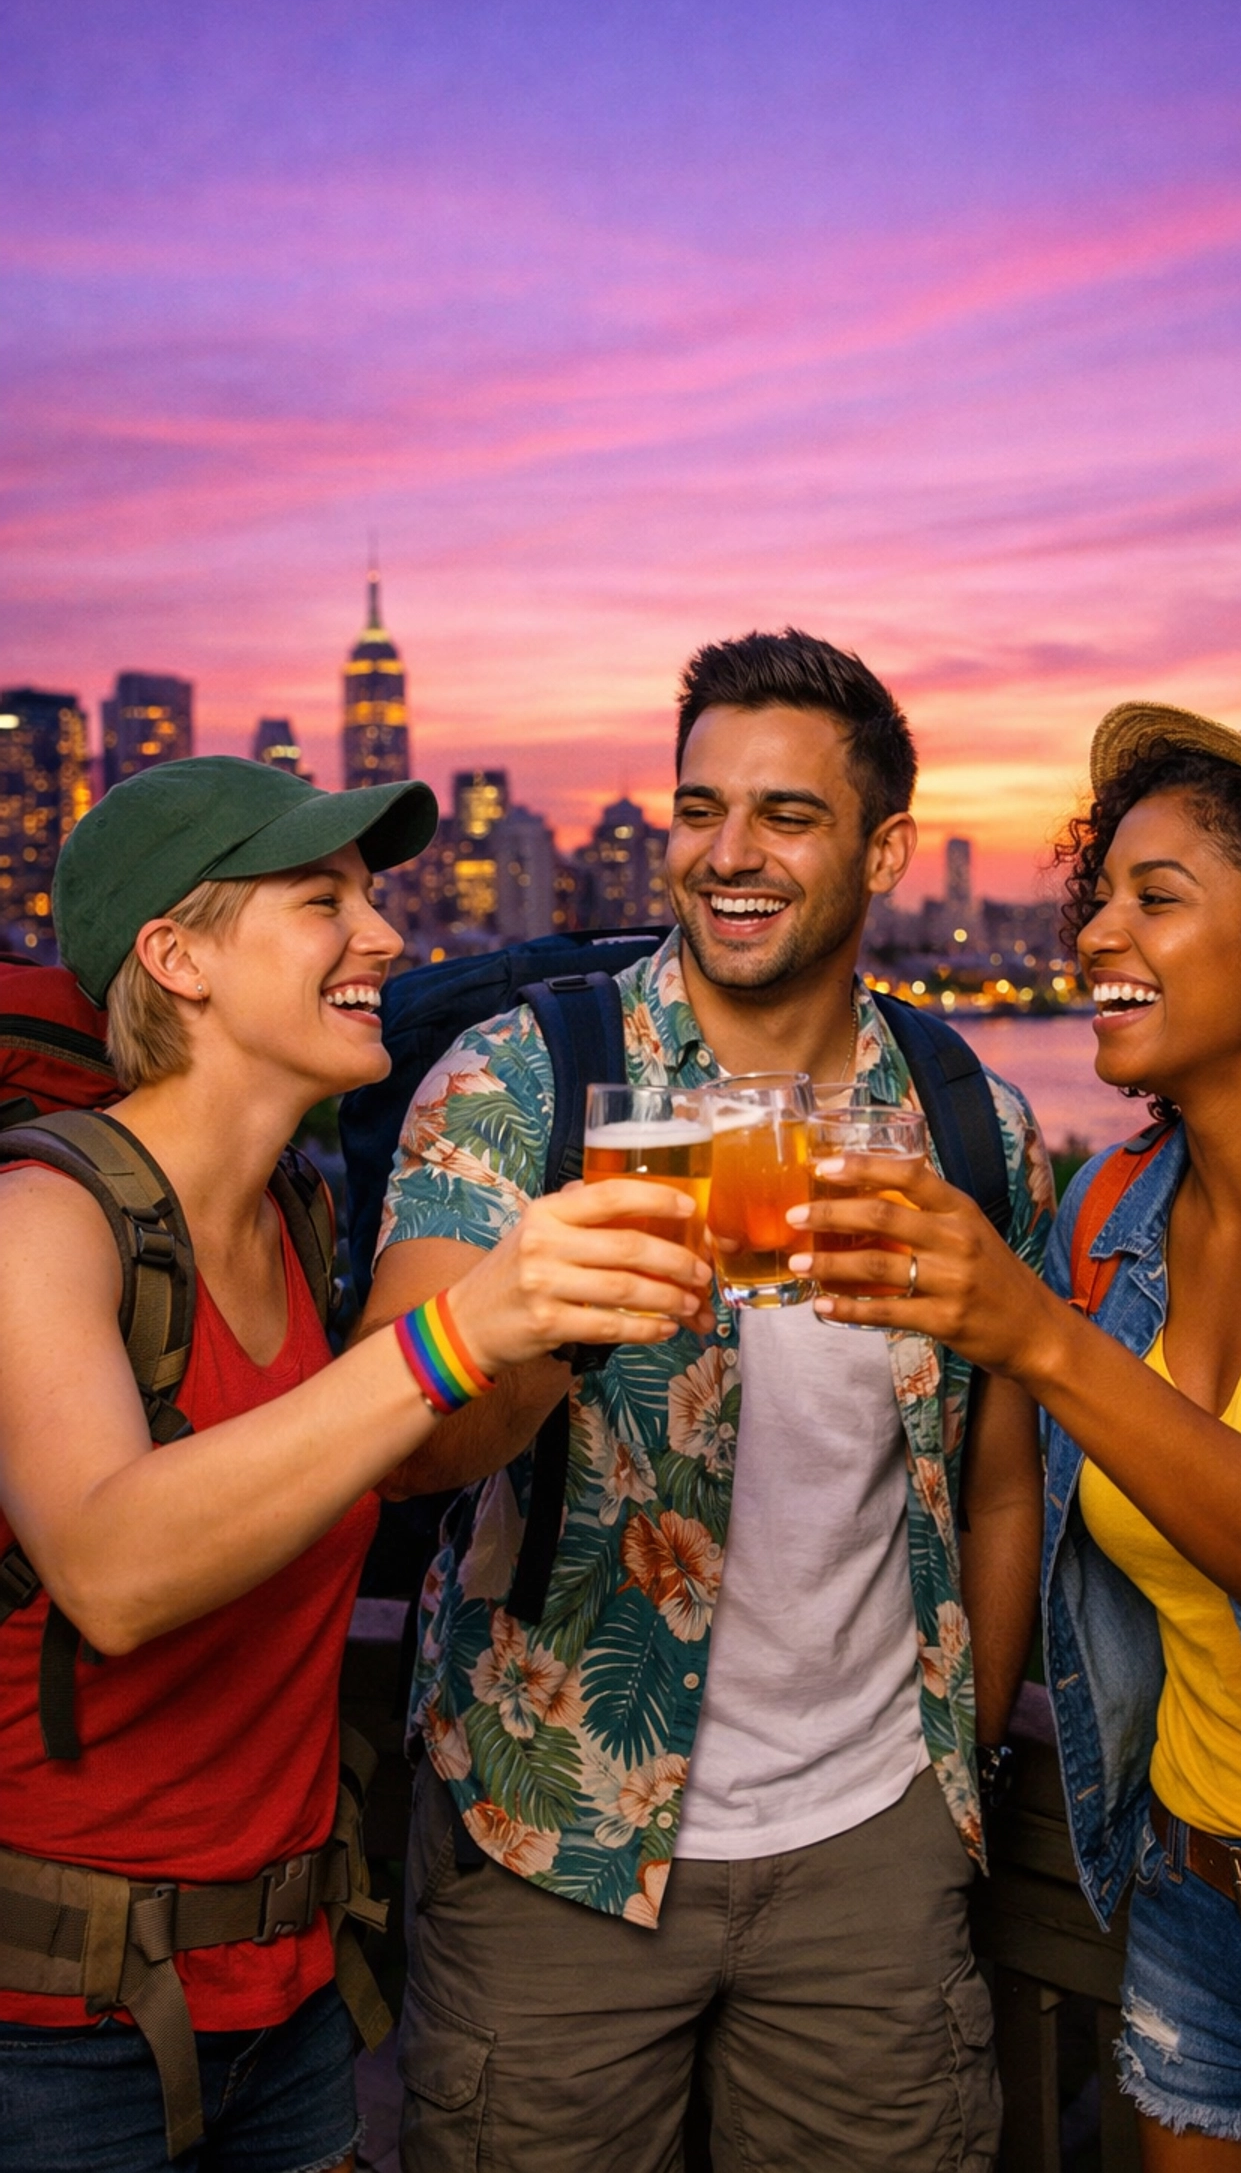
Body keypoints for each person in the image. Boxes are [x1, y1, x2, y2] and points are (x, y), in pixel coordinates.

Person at [797, 700, 1241, 2172]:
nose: (1095, 939)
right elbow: (1019, 1511)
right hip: (1191, 1928)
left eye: (1158, 899)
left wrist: (1043, 1342)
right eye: (1101, 897)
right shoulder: (1106, 1219)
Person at [360, 629, 1055, 2173]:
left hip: (876, 1847)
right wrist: (547, 1314)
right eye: (697, 811)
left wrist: (964, 1760)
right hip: (554, 1838)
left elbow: (1001, 1477)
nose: (726, 857)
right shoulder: (524, 1080)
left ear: (884, 850)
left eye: (785, 818)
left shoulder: (974, 1123)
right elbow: (411, 1444)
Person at [0, 756, 711, 2173]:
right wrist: (467, 1327)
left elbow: (365, 1469)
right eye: (323, 900)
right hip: (55, 2035)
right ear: (176, 957)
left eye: (374, 897)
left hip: (296, 1994)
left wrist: (560, 1330)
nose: (385, 936)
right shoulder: (40, 1222)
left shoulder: (297, 1215)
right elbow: (113, 1571)